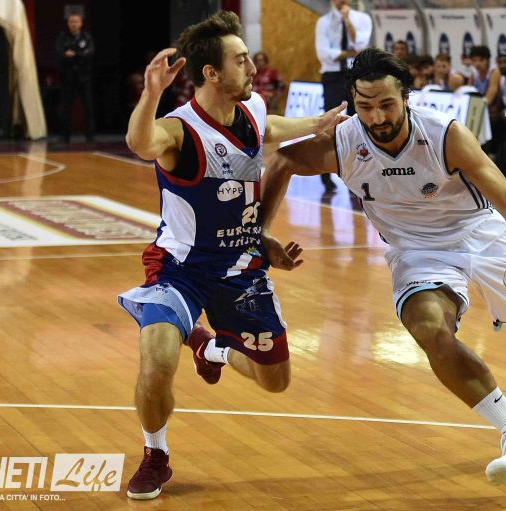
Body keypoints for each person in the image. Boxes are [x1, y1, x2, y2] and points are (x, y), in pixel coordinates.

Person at [260, 48, 506, 486]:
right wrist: (261, 231)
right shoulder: (345, 141)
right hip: (416, 249)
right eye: (365, 106)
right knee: (430, 329)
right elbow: (282, 159)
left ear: (406, 97)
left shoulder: (444, 135)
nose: (376, 117)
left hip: (478, 231)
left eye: (387, 104)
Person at [119, 11, 345, 500]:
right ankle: (155, 453)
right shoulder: (179, 130)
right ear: (212, 74)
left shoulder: (253, 109)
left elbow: (271, 126)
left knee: (275, 380)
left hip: (241, 268)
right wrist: (151, 93)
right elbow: (141, 142)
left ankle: (211, 347)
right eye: (241, 60)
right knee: (157, 360)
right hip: (179, 267)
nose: (253, 67)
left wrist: (317, 122)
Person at [315, 0, 372, 192]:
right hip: (333, 76)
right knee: (330, 122)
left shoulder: (362, 19)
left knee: (359, 122)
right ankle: (325, 174)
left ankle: (359, 173)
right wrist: (349, 52)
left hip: (355, 73)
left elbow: (360, 47)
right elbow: (324, 54)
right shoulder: (324, 22)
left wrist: (348, 21)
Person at [56, 13, 95, 143]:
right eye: (71, 21)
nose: (74, 24)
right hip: (68, 78)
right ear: (68, 23)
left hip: (84, 78)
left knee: (88, 107)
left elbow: (89, 54)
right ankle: (65, 136)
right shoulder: (63, 37)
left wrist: (74, 54)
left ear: (81, 23)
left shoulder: (86, 37)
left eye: (76, 21)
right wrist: (80, 54)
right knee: (66, 108)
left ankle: (90, 136)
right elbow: (61, 54)